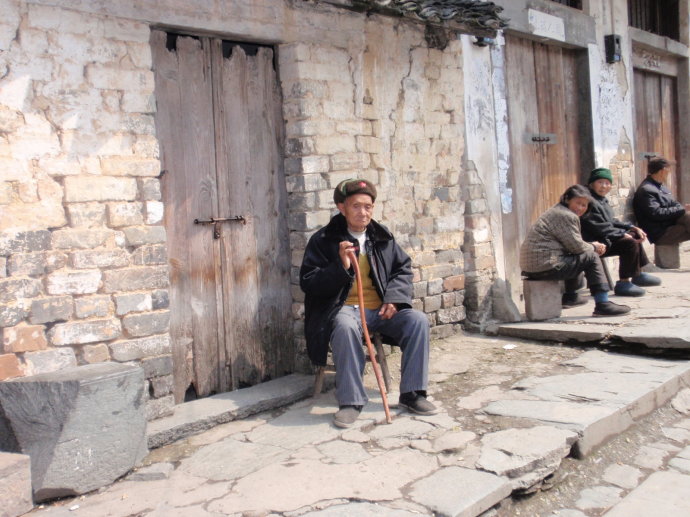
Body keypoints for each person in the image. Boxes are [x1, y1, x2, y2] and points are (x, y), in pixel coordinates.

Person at [300, 178, 437, 428]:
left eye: (368, 207)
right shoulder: (323, 240)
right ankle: (351, 401)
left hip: (380, 310)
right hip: (343, 311)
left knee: (417, 320)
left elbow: (402, 269)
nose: (363, 213)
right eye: (356, 206)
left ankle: (412, 394)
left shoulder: (381, 237)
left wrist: (395, 299)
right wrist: (340, 265)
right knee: (344, 326)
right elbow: (309, 283)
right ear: (342, 208)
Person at [520, 184, 631, 317]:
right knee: (591, 256)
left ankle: (571, 297)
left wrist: (590, 245)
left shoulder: (558, 211)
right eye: (578, 203)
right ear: (567, 199)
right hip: (545, 264)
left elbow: (572, 245)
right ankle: (602, 303)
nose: (581, 208)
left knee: (577, 255)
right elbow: (577, 247)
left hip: (537, 265)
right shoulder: (565, 215)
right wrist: (595, 246)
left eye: (584, 205)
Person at [580, 167, 660, 296]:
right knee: (629, 243)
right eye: (600, 182)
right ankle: (624, 283)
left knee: (635, 235)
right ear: (591, 183)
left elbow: (611, 221)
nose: (604, 186)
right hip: (594, 242)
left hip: (604, 237)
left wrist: (631, 227)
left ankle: (637, 274)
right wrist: (622, 234)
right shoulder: (588, 201)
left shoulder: (601, 200)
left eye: (607, 183)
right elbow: (597, 227)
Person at [633, 157, 690, 248]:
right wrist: (682, 209)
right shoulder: (646, 190)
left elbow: (675, 204)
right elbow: (657, 213)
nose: (669, 173)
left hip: (670, 226)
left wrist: (682, 209)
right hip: (661, 233)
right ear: (662, 170)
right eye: (668, 170)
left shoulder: (661, 187)